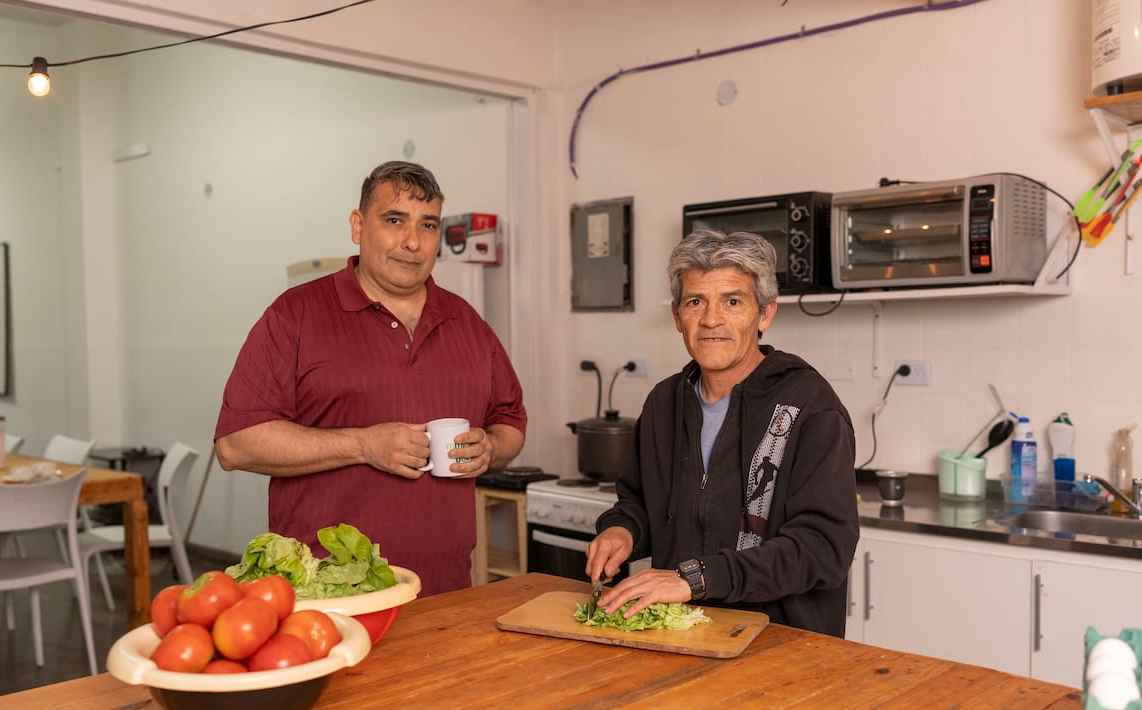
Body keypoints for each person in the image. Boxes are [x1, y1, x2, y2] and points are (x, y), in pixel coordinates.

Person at [214, 161, 527, 596]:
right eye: (394, 220)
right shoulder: (296, 315)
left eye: (428, 225)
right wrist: (362, 445)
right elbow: (235, 444)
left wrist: (491, 448)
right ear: (358, 226)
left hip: (446, 594)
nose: (412, 242)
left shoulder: (467, 322)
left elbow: (509, 421)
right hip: (327, 600)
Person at [585, 228, 858, 636]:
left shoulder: (810, 406)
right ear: (677, 316)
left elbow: (822, 549)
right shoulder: (664, 403)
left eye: (732, 301)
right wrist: (622, 529)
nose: (711, 319)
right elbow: (638, 501)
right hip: (681, 636)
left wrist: (695, 578)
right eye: (696, 302)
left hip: (781, 645)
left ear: (764, 313)